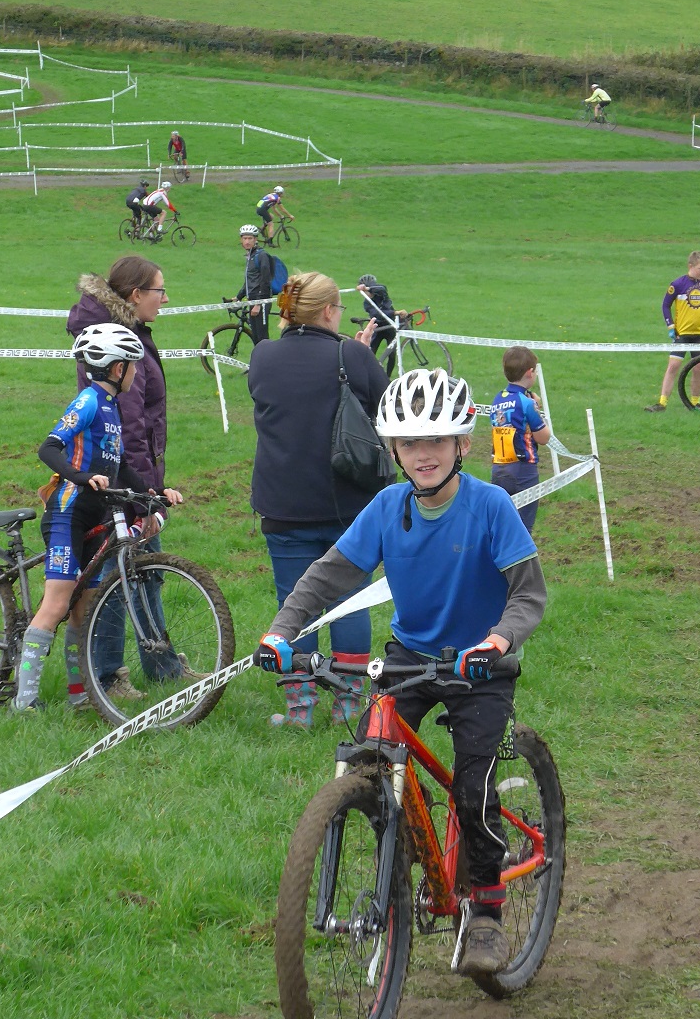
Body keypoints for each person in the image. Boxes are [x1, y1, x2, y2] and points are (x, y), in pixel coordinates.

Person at [254, 367, 548, 978]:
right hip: (411, 656)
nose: (424, 454)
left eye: (437, 440)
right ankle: (402, 866)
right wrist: (283, 631)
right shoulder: (388, 508)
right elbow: (329, 575)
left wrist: (499, 639)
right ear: (392, 449)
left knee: (472, 788)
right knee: (371, 758)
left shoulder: (491, 506)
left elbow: (528, 596)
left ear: (462, 444)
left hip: (481, 665)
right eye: (411, 442)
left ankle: (488, 910)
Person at [247, 271, 389, 728]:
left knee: (294, 600)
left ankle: (299, 708)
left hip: (282, 500)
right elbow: (383, 405)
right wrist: (358, 352)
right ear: (330, 311)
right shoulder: (353, 354)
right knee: (349, 598)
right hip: (347, 500)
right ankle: (349, 703)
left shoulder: (263, 356)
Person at [67, 256, 188, 698]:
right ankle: (107, 677)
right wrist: (144, 498)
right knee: (121, 576)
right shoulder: (119, 342)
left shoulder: (128, 332)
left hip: (131, 474)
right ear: (135, 295)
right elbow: (130, 425)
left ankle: (162, 666)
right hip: (117, 476)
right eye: (159, 290)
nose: (166, 298)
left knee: (143, 572)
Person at [12, 324, 150, 711]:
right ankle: (24, 703)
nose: (136, 373)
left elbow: (118, 463)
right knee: (56, 605)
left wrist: (152, 493)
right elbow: (49, 448)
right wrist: (82, 477)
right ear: (115, 368)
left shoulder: (112, 408)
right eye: (132, 366)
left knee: (83, 611)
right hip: (67, 513)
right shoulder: (89, 400)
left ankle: (79, 696)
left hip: (95, 516)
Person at [490, 346, 551, 533]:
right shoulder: (527, 403)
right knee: (523, 529)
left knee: (501, 526)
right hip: (524, 470)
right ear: (530, 373)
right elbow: (544, 438)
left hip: (499, 468)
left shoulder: (497, 399)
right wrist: (538, 409)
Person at [645, 251, 700, 412]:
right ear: (690, 266)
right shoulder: (678, 284)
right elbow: (665, 305)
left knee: (698, 368)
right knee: (673, 366)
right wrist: (670, 326)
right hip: (682, 333)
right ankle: (662, 402)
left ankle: (696, 402)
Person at [356, 272, 404, 377]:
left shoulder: (381, 294)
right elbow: (377, 314)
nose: (366, 294)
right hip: (378, 326)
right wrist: (395, 312)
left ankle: (388, 377)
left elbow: (382, 288)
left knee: (392, 355)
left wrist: (367, 288)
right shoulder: (367, 303)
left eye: (368, 289)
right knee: (371, 353)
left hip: (390, 325)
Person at [238, 225, 274, 345]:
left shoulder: (261, 256)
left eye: (250, 238)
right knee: (256, 338)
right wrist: (238, 296)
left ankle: (269, 362)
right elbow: (250, 280)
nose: (247, 241)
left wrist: (258, 303)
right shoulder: (250, 256)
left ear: (255, 239)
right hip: (252, 300)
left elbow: (265, 280)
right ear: (241, 240)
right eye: (244, 238)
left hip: (261, 301)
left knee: (263, 338)